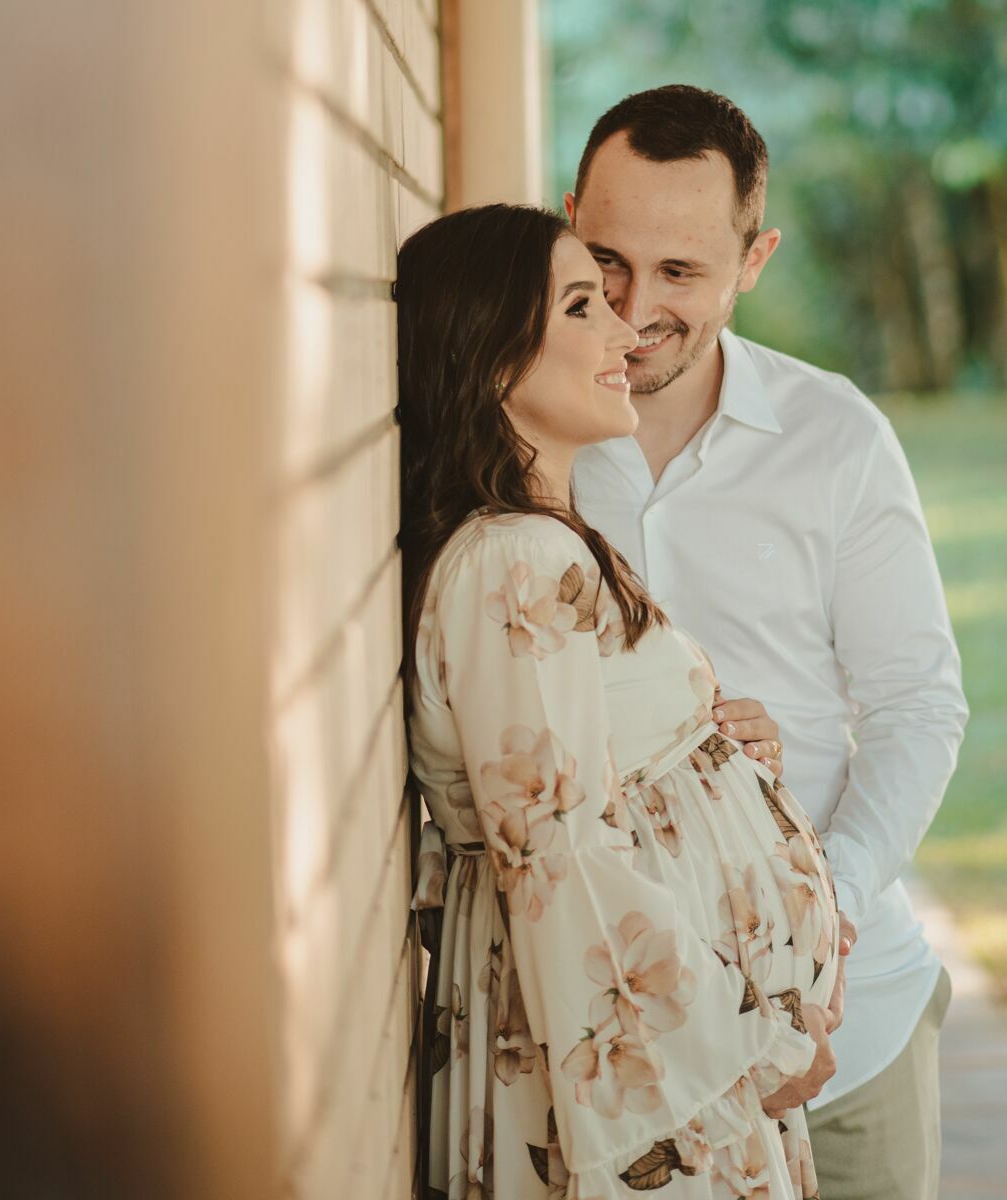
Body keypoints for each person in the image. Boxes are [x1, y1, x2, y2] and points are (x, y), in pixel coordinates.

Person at [568, 85, 967, 1200]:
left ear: (755, 258)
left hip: (851, 1047)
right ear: (567, 223)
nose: (635, 305)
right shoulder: (514, 437)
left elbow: (917, 707)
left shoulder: (837, 437)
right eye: (607, 258)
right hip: (618, 1057)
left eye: (682, 272)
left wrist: (818, 918)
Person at [400, 204, 842, 1200]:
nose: (626, 331)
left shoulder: (544, 537)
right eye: (584, 304)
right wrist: (750, 1047)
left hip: (687, 1063)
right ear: (491, 350)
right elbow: (559, 859)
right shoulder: (515, 562)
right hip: (650, 1080)